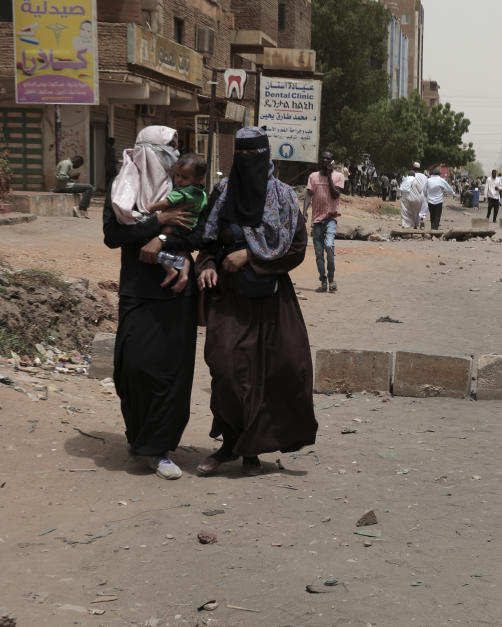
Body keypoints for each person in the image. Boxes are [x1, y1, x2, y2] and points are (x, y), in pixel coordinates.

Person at [195, 126, 317, 477]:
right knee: (226, 368)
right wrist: (207, 267)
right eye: (242, 156)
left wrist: (251, 256)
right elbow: (207, 241)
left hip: (272, 301)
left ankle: (249, 449)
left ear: (266, 157)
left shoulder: (281, 198)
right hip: (230, 299)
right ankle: (230, 442)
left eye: (255, 156)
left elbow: (295, 249)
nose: (248, 162)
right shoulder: (222, 193)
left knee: (275, 373)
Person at [102, 128, 199, 480]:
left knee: (171, 373)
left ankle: (158, 448)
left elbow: (198, 231)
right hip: (137, 291)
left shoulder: (186, 186)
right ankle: (138, 437)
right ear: (148, 152)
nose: (175, 154)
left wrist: (175, 247)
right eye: (169, 149)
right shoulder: (122, 189)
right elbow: (113, 236)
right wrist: (157, 221)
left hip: (176, 291)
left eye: (177, 148)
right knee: (134, 366)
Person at [142, 153, 209, 293]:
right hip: (189, 227)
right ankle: (184, 275)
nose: (179, 180)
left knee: (159, 243)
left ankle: (170, 270)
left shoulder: (183, 192)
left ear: (199, 178)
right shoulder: (202, 194)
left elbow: (166, 202)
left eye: (184, 177)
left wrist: (150, 207)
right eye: (177, 175)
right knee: (182, 251)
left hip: (176, 225)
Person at [305, 150, 345, 293]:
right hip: (316, 220)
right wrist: (304, 212)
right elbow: (309, 195)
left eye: (328, 159)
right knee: (318, 254)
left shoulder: (339, 176)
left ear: (332, 162)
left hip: (331, 219)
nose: (325, 161)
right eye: (323, 158)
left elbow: (335, 195)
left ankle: (332, 279)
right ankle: (323, 282)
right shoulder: (313, 176)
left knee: (329, 246)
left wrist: (329, 176)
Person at [398, 162, 427, 229]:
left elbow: (400, 188)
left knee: (406, 212)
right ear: (419, 168)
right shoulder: (423, 176)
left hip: (406, 198)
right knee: (416, 212)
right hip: (419, 197)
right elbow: (421, 189)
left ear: (412, 168)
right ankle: (417, 224)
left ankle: (405, 224)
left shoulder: (406, 179)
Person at [104, 137, 118, 204]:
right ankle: (111, 194)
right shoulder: (112, 150)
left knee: (108, 181)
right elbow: (113, 159)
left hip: (108, 168)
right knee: (112, 181)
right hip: (112, 169)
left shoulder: (107, 150)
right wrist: (117, 161)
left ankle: (108, 194)